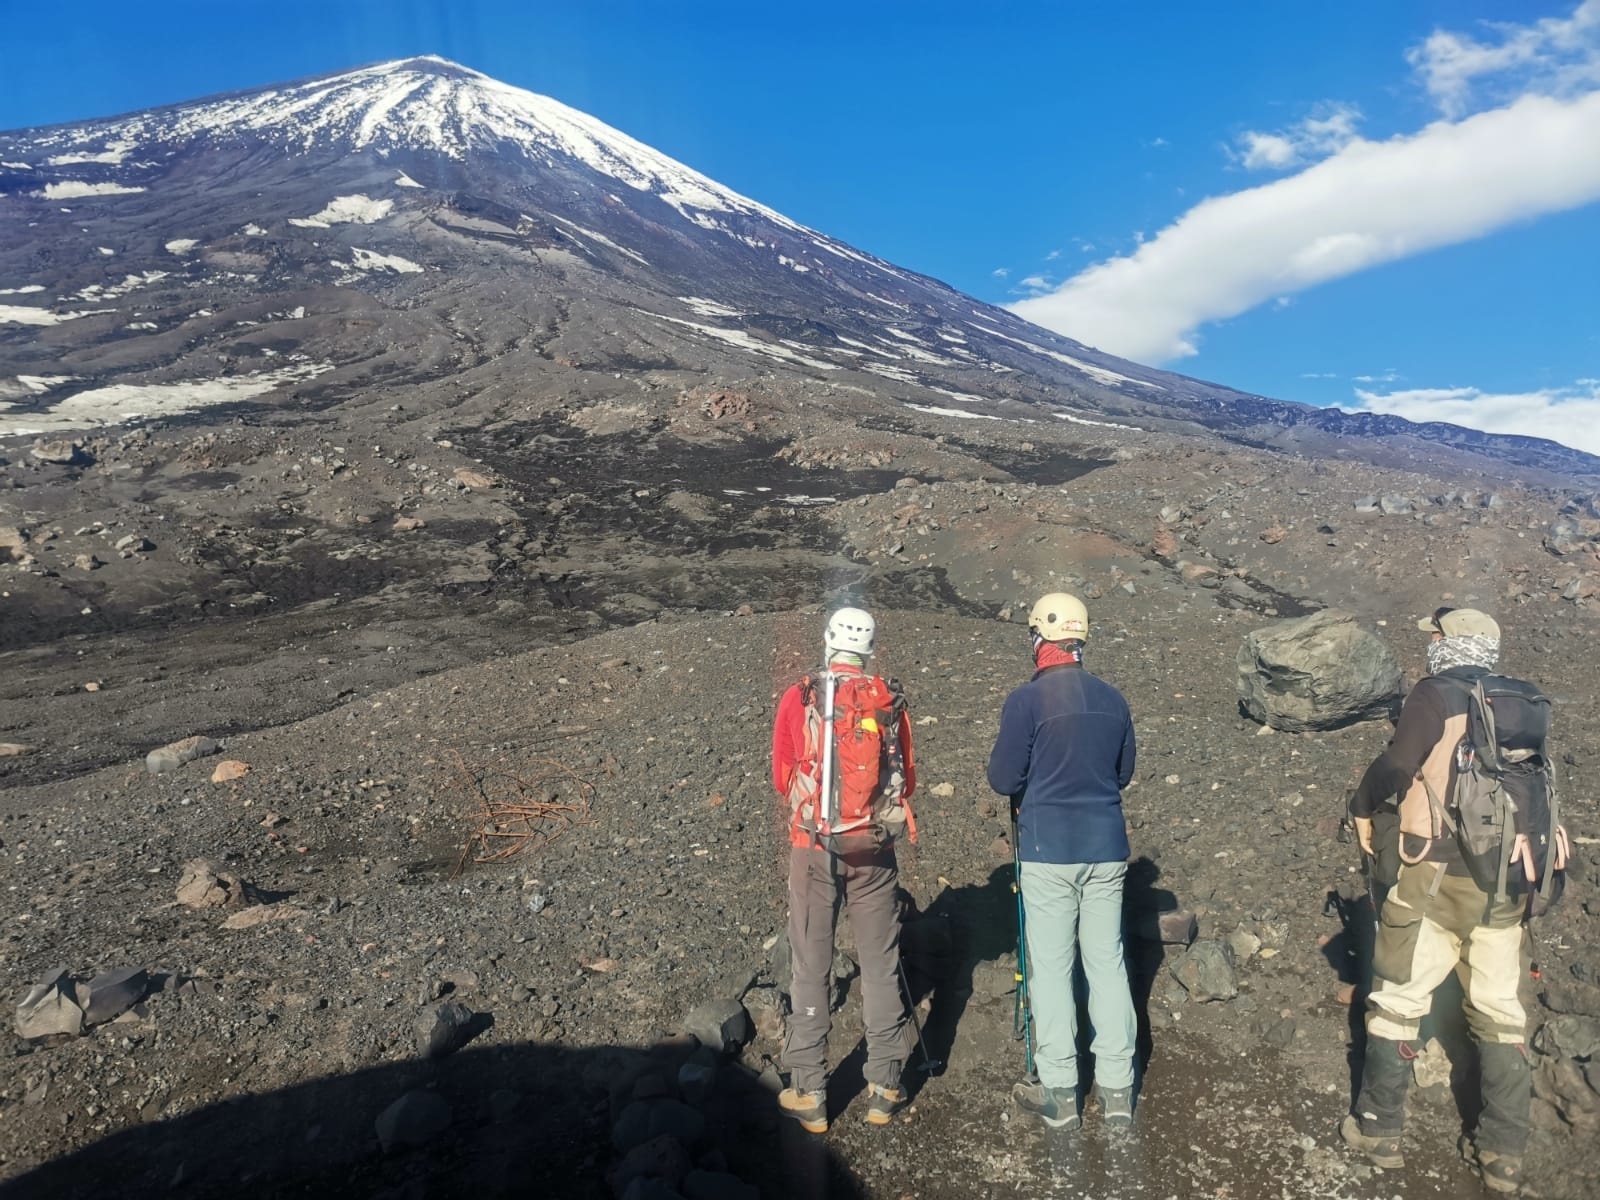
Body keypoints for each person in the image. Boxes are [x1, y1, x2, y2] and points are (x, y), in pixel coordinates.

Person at [1340, 607, 1534, 1193]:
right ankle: (1503, 1152)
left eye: (1434, 635)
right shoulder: (1525, 699)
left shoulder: (1434, 694)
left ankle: (1378, 1128)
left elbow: (1399, 763)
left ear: (1448, 645)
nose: (1428, 642)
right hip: (1505, 877)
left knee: (1399, 995)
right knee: (1501, 1007)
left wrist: (1360, 805)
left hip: (1434, 873)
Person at [987, 592, 1138, 1131]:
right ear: (1080, 640)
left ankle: (1060, 1093)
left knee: (1051, 971)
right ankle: (1118, 1090)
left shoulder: (1026, 702)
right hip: (1107, 849)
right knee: (1108, 963)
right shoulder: (1112, 699)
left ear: (1040, 638)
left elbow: (1003, 779)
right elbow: (1123, 774)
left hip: (1048, 850)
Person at [771, 606, 917, 1132]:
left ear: (829, 640)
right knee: (880, 962)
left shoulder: (800, 695)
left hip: (813, 845)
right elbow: (907, 777)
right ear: (870, 647)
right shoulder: (887, 699)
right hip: (873, 850)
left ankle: (809, 1090)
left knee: (811, 964)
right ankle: (885, 1084)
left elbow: (781, 771)